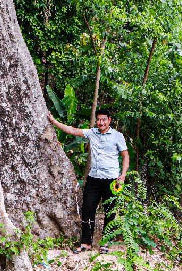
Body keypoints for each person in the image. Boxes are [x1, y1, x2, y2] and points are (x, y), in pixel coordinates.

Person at [47, 108, 129, 253]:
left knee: (110, 212)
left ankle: (106, 243)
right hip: (94, 179)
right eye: (98, 119)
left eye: (104, 119)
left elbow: (125, 156)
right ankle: (86, 243)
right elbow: (72, 130)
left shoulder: (117, 136)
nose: (101, 122)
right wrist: (54, 122)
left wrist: (122, 176)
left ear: (109, 120)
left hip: (112, 180)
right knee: (87, 209)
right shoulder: (92, 133)